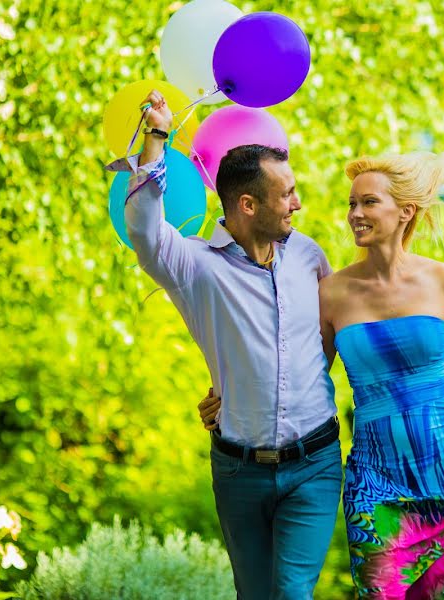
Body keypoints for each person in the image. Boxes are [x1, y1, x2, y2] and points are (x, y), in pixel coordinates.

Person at [202, 151, 444, 598]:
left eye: (368, 203)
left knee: (442, 594)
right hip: (376, 473)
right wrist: (234, 397)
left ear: (405, 212)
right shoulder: (333, 292)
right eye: (351, 204)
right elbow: (295, 371)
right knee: (383, 591)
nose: (355, 214)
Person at [106, 90, 342, 600]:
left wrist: (433, 361)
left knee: (294, 592)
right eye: (288, 194)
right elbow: (144, 231)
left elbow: (345, 324)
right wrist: (155, 139)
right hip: (239, 469)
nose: (298, 203)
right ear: (247, 204)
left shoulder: (308, 254)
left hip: (316, 463)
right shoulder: (195, 266)